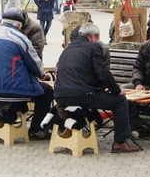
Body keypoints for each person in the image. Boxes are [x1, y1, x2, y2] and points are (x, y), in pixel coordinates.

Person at [55, 23, 140, 153]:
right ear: (94, 36)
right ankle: (120, 142)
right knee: (120, 100)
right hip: (82, 96)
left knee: (99, 96)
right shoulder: (94, 46)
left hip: (61, 96)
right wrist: (117, 90)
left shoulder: (69, 47)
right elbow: (103, 73)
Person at [0, 9, 53, 139]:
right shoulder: (19, 38)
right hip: (12, 91)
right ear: (18, 25)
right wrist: (42, 75)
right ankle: (36, 129)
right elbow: (36, 66)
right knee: (47, 91)